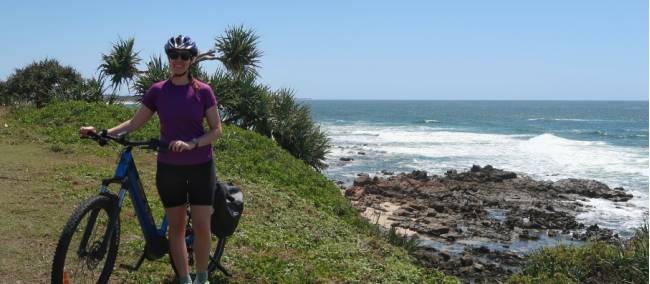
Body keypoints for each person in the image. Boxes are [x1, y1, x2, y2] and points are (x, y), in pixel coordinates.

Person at [79, 35, 222, 284]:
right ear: (169, 58)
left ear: (191, 61)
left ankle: (202, 278)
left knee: (201, 226)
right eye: (174, 56)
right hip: (169, 168)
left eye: (184, 56)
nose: (178, 60)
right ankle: (185, 280)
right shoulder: (158, 91)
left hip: (200, 165)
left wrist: (191, 144)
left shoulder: (203, 91)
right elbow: (135, 123)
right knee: (176, 229)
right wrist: (103, 132)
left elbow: (216, 130)